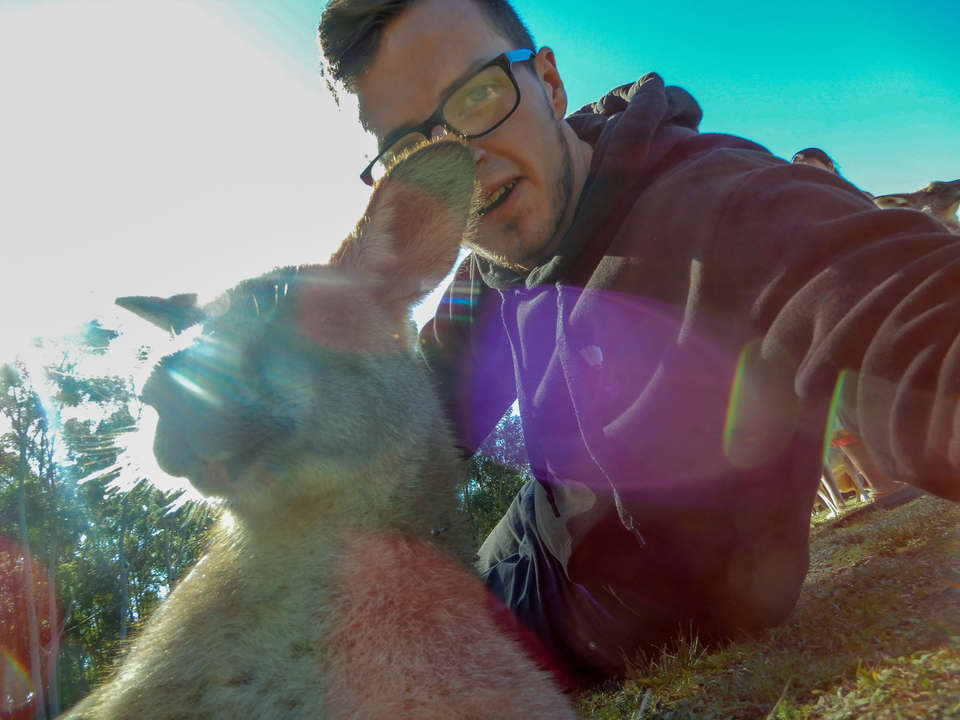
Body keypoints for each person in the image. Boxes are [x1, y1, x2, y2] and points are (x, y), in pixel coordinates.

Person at [317, 0, 960, 685]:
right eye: (415, 149)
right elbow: (414, 439)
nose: (461, 165)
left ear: (549, 83)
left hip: (604, 621)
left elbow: (899, 316)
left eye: (477, 95)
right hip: (522, 552)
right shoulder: (484, 279)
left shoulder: (727, 206)